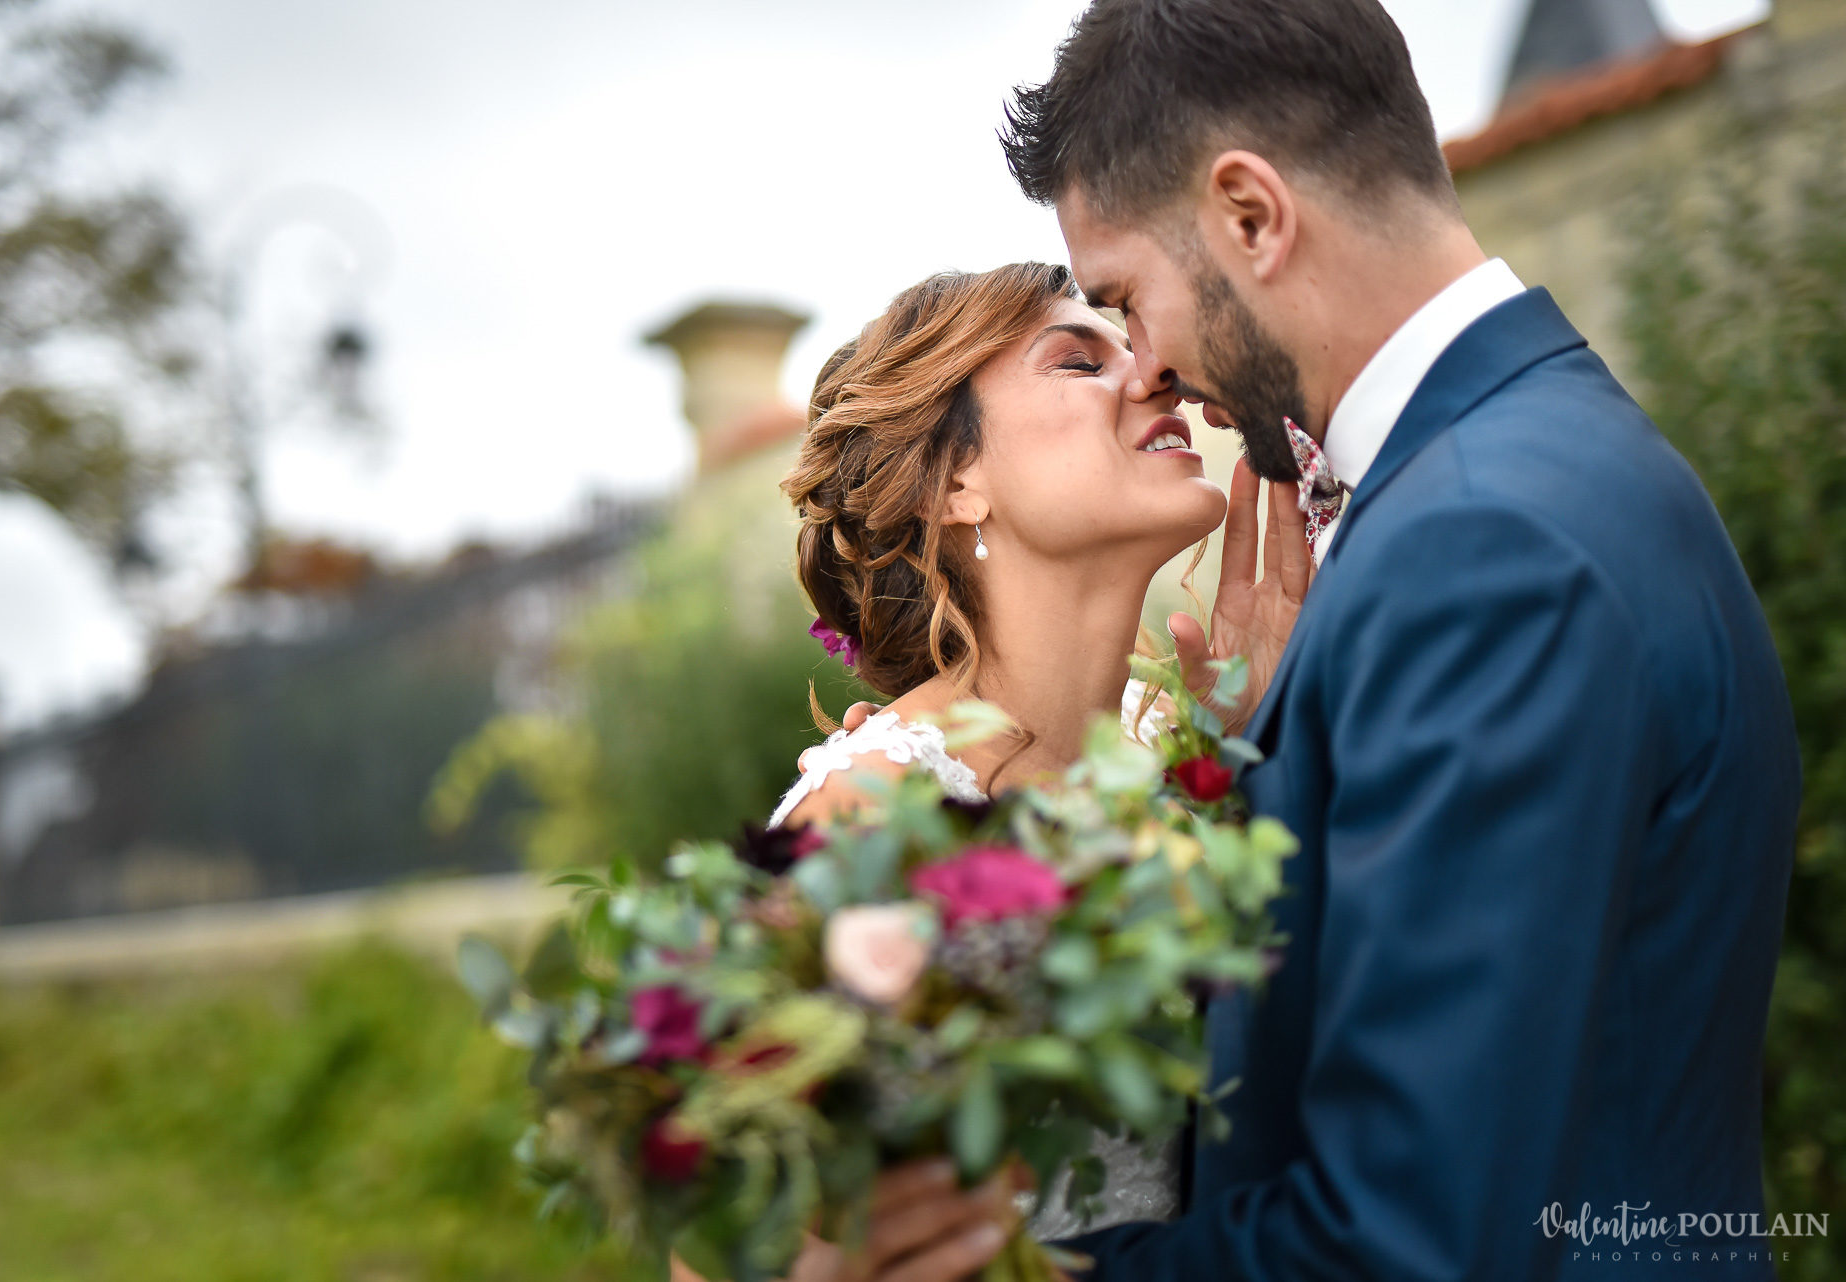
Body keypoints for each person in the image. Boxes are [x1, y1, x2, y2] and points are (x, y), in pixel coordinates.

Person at [950, 0, 1802, 1279]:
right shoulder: (1533, 458)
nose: (1153, 367)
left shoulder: (1481, 542)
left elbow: (1408, 1240)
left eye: (1130, 296)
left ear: (1251, 214)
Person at [706, 259, 1315, 1282]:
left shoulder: (1187, 750)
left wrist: (1259, 744)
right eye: (1080, 360)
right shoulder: (868, 816)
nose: (1155, 373)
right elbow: (726, 1252)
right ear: (955, 484)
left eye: (1137, 346)